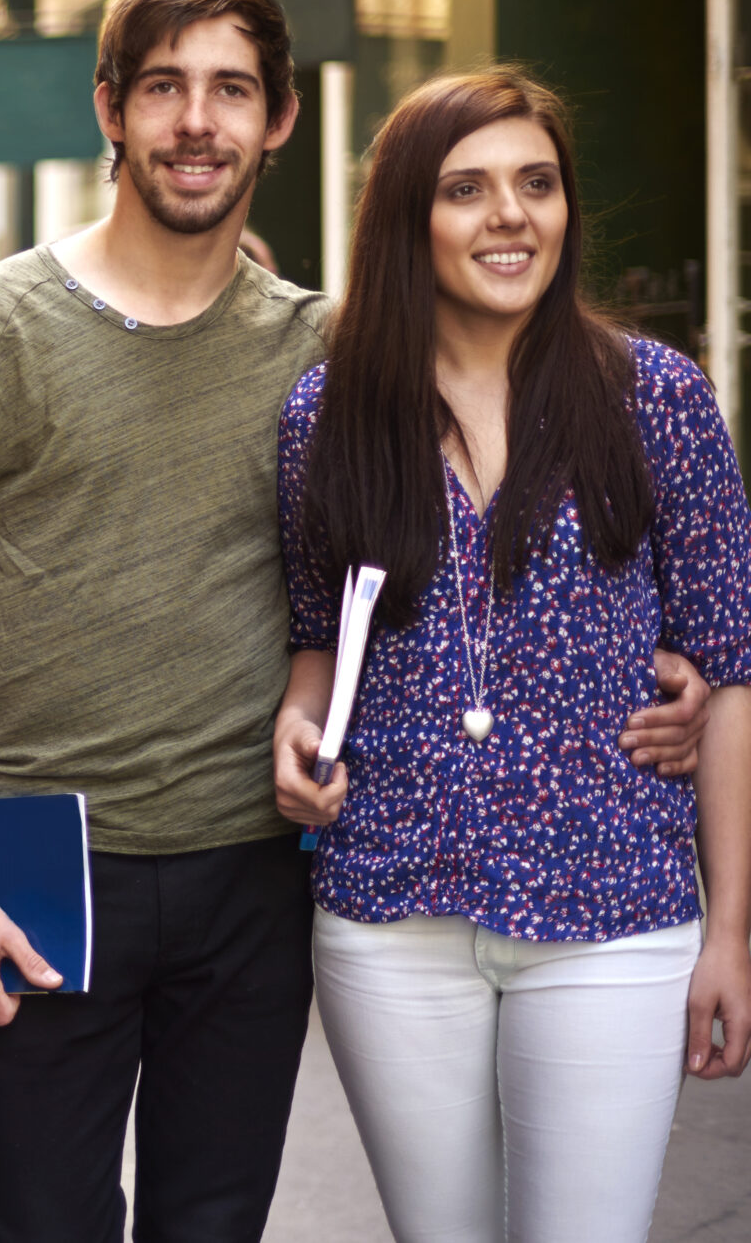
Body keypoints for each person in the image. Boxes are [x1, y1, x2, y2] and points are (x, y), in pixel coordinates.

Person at [0, 0, 711, 1243]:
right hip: (36, 855)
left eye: (230, 91)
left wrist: (664, 666)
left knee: (214, 1224)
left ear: (279, 120)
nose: (196, 122)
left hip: (254, 867)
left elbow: (444, 555)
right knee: (38, 1223)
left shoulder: (331, 357)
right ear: (108, 110)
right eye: (162, 89)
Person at [273, 68, 751, 1240]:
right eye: (466, 189)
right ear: (406, 220)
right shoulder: (326, 416)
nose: (509, 216)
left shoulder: (658, 401)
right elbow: (314, 639)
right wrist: (297, 727)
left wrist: (730, 931)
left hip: (615, 910)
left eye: (536, 184)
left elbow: (728, 672)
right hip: (391, 912)